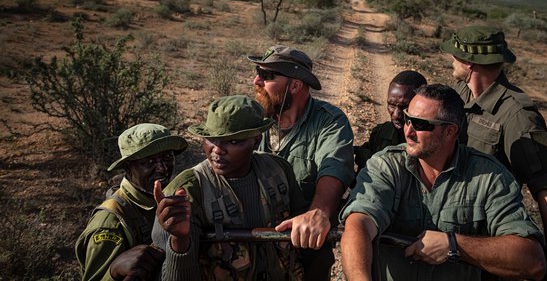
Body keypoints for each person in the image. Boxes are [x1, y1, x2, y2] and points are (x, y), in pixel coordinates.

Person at [340, 84, 546, 281]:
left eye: (420, 124)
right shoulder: (387, 165)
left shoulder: (490, 178)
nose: (408, 131)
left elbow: (532, 260)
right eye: (407, 119)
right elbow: (359, 224)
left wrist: (454, 245)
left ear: (450, 132)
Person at [441, 25, 547, 280]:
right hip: (449, 221)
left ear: (470, 63)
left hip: (486, 239)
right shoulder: (460, 92)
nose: (451, 60)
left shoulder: (517, 114)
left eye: (455, 55)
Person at [152, 95, 307, 281]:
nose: (217, 150)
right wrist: (179, 241)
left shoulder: (278, 170)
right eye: (211, 139)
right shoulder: (188, 190)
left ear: (256, 140)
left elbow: (306, 235)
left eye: (233, 141)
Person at [248, 45, 355, 280]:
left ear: (295, 85)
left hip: (304, 244)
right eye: (258, 71)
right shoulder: (254, 117)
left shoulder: (329, 122)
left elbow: (334, 167)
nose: (256, 80)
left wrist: (318, 212)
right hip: (254, 238)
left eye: (267, 76)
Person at [75, 123, 188, 281]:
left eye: (167, 158)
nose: (162, 168)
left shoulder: (168, 199)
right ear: (128, 167)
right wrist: (114, 273)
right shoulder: (110, 223)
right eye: (149, 162)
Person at [354, 70, 427, 172]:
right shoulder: (380, 134)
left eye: (405, 107)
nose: (396, 115)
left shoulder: (430, 141)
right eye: (391, 105)